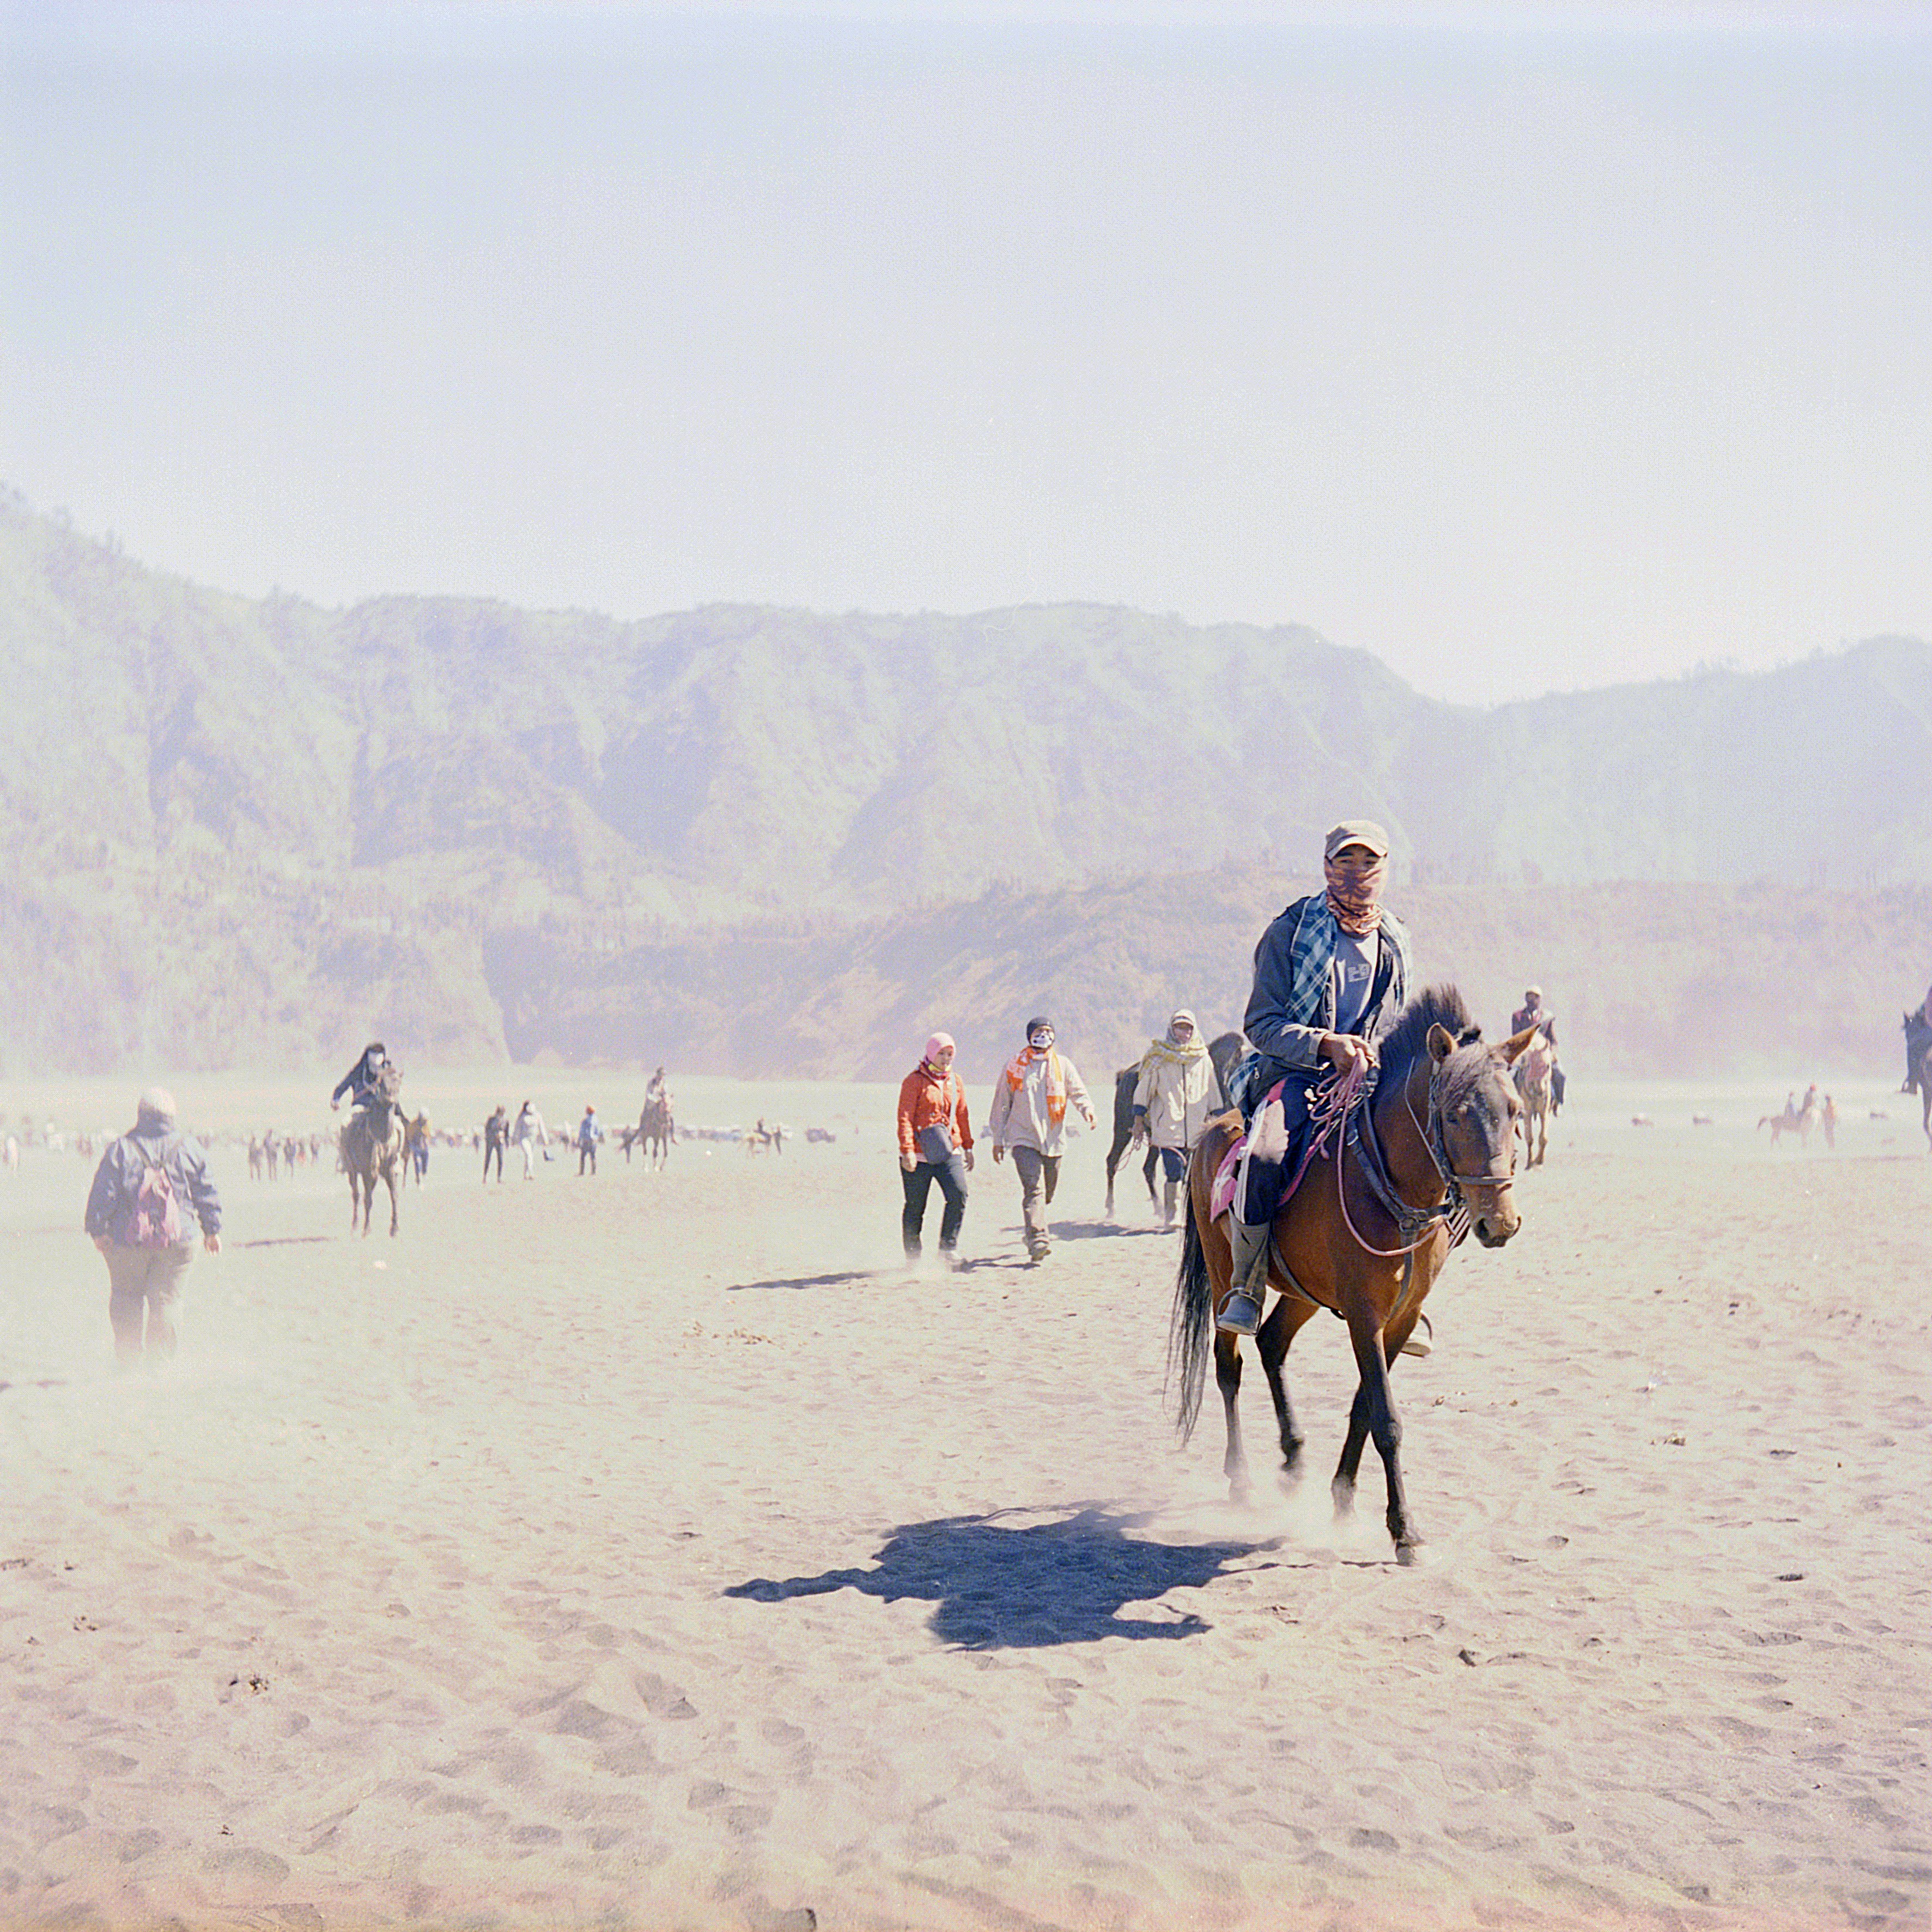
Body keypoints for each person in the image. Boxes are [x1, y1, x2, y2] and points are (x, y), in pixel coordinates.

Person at [1222, 819, 1413, 1337]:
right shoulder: (1289, 931)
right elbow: (1261, 1025)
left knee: (1430, 1150)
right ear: (1327, 866)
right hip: (1294, 1074)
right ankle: (1246, 1283)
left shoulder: (1395, 940)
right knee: (1262, 1158)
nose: (1357, 873)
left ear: (1385, 869)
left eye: (1368, 863)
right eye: (1345, 862)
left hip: (1370, 1080)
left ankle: (1411, 1291)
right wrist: (1325, 1044)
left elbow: (1395, 1023)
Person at [83, 1088, 222, 1368]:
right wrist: (211, 1230)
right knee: (167, 1301)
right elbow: (206, 1190)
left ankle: (129, 1365)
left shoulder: (121, 1149)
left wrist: (98, 1230)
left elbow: (103, 1192)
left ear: (141, 1114)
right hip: (178, 1240)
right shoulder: (189, 1147)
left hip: (127, 1240)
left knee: (126, 1298)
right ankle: (160, 1368)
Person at [986, 1016, 1096, 1264]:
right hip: (1023, 1137)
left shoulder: (1063, 1065)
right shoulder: (1014, 1066)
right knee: (1034, 1189)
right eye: (1038, 1031)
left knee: (1047, 1193)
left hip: (1053, 1139)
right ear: (1029, 1036)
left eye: (1048, 1031)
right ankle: (1038, 1239)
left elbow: (1077, 1091)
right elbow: (1002, 1103)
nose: (1043, 1035)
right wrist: (998, 1138)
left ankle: (1035, 1226)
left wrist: (1087, 1109)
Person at [1132, 1008, 1216, 1230]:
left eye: (1188, 1027)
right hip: (1168, 1125)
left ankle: (1191, 1216)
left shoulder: (1203, 1058)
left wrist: (1215, 1116)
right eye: (1180, 1027)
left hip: (1198, 1127)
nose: (1184, 1032)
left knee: (1194, 1174)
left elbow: (1213, 1090)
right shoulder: (1158, 1058)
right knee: (1174, 1171)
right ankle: (1172, 1215)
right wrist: (1139, 1119)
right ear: (1172, 1029)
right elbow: (1145, 1090)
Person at [897, 1032, 975, 1266]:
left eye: (950, 1054)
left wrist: (968, 1147)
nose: (946, 1058)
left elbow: (962, 1114)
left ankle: (947, 1249)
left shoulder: (955, 1082)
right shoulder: (914, 1081)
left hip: (948, 1150)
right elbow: (905, 1117)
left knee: (959, 1194)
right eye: (941, 1053)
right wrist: (908, 1150)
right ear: (931, 1053)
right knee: (915, 1207)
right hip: (919, 1155)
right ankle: (913, 1257)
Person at [1510, 986, 1565, 1111]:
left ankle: (1558, 1102)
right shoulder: (1518, 1016)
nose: (1531, 1001)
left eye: (1534, 998)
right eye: (1529, 997)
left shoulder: (1547, 1017)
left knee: (1560, 1074)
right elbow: (1515, 1037)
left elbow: (1553, 1040)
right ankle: (1514, 1104)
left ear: (1539, 1000)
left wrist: (1553, 1053)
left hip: (1543, 1054)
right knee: (1511, 1074)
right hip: (1524, 1054)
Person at [331, 1041, 392, 1115]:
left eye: (379, 1053)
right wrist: (336, 1099)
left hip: (383, 1107)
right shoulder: (359, 1070)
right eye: (374, 1052)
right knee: (347, 1121)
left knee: (398, 1124)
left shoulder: (388, 1070)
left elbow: (394, 1090)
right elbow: (344, 1084)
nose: (377, 1055)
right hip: (361, 1106)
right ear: (368, 1054)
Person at [513, 1100, 549, 1180]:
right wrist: (515, 1139)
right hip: (524, 1138)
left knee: (529, 1156)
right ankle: (531, 1174)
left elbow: (542, 1127)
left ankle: (526, 1174)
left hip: (533, 1139)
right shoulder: (522, 1116)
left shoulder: (538, 1115)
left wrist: (545, 1139)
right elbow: (517, 1128)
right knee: (529, 1154)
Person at [483, 1104, 508, 1183]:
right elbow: (487, 1129)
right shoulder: (491, 1119)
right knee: (488, 1158)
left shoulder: (505, 1121)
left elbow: (506, 1133)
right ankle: (485, 1176)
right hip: (491, 1141)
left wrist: (506, 1142)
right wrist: (492, 1136)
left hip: (500, 1142)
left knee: (500, 1159)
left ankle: (499, 1177)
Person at [576, 1105, 603, 1175]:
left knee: (583, 1157)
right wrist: (597, 1138)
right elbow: (599, 1131)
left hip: (586, 1141)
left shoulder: (585, 1121)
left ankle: (582, 1172)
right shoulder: (596, 1121)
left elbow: (581, 1132)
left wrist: (579, 1141)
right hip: (593, 1141)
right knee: (593, 1156)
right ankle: (593, 1172)